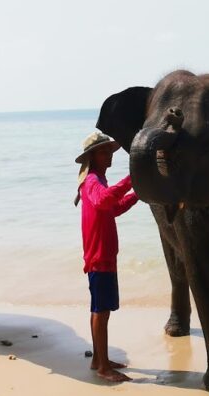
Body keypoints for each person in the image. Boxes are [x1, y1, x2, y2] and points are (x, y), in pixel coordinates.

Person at [75, 132, 139, 383]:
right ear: (93, 156)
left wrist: (136, 195)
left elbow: (113, 208)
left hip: (104, 256)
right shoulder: (92, 181)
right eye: (104, 152)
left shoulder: (98, 179)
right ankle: (103, 367)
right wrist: (131, 180)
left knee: (101, 310)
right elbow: (104, 201)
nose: (110, 155)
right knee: (101, 312)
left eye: (110, 151)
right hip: (99, 256)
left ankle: (98, 359)